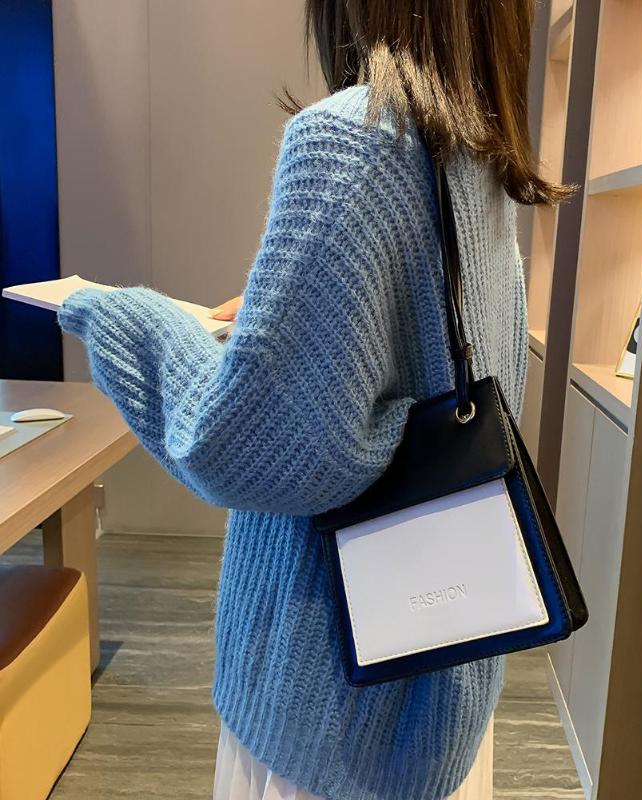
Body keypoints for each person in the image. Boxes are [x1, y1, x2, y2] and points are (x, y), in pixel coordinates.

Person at [58, 1, 567, 798]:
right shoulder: (480, 153)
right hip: (446, 669)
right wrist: (287, 328)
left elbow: (247, 446)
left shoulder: (352, 142)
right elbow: (434, 369)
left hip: (331, 712)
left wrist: (125, 317)